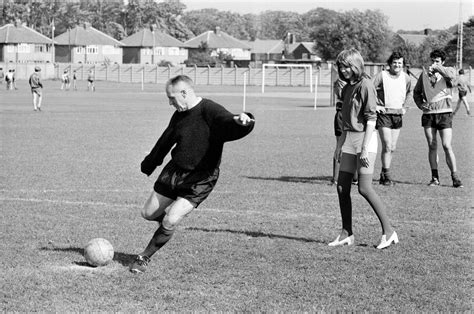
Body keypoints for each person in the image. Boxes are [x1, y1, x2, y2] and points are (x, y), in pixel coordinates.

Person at [129, 75, 255, 273]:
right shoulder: (179, 114)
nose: (170, 102)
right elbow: (166, 139)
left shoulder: (209, 110)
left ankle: (144, 257)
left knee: (171, 218)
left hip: (201, 178)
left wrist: (242, 121)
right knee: (148, 213)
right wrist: (150, 163)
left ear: (184, 93)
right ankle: (167, 226)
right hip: (175, 171)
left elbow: (226, 120)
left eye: (172, 98)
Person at [329, 48, 397, 249]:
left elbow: (371, 120)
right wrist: (339, 146)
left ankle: (389, 231)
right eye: (341, 66)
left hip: (366, 140)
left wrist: (365, 149)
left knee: (364, 188)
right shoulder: (348, 87)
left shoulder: (366, 85)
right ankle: (346, 233)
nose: (344, 70)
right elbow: (344, 121)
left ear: (356, 65)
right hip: (349, 138)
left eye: (347, 66)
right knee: (342, 186)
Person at [413, 49, 463, 188]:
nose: (434, 63)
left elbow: (452, 79)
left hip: (445, 113)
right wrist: (421, 104)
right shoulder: (424, 74)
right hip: (429, 115)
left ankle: (455, 177)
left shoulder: (448, 70)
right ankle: (435, 178)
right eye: (433, 61)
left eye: (437, 61)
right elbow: (416, 92)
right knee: (432, 145)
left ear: (442, 62)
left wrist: (437, 68)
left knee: (447, 145)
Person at [373, 52, 412, 186]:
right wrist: (376, 105)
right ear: (390, 64)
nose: (397, 65)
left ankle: (383, 175)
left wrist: (405, 107)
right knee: (387, 145)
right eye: (395, 62)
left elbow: (409, 93)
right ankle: (387, 175)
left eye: (400, 63)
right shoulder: (381, 75)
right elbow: (369, 89)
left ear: (403, 65)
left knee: (393, 147)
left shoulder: (406, 78)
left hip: (397, 115)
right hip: (384, 114)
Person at [331, 78, 358, 186]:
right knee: (340, 146)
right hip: (342, 115)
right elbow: (341, 95)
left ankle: (355, 178)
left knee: (356, 146)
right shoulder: (339, 82)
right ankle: (335, 178)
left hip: (354, 116)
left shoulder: (358, 81)